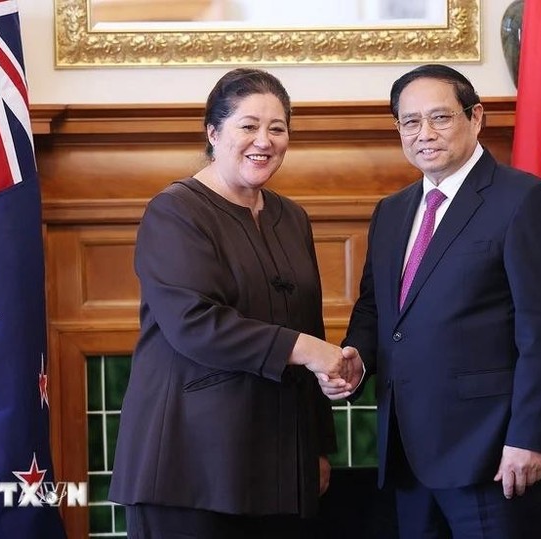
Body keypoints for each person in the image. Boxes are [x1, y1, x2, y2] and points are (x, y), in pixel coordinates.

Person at [320, 64, 541, 538]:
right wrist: (357, 354)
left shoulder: (527, 201)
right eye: (410, 121)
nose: (424, 134)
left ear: (475, 118)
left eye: (440, 117)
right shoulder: (392, 211)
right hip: (408, 458)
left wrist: (528, 438)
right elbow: (378, 308)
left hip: (496, 457)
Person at [109, 68, 353, 539]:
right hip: (190, 465)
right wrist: (305, 348)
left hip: (282, 462)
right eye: (248, 125)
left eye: (277, 128)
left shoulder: (292, 217)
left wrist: (319, 446)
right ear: (213, 132)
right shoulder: (175, 211)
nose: (264, 140)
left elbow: (309, 323)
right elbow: (194, 324)